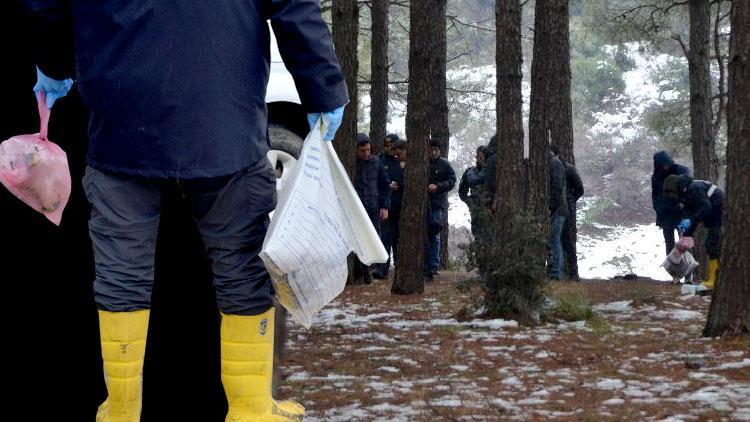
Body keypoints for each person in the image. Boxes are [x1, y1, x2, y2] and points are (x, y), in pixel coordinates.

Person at [26, 1, 348, 420]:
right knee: (240, 265)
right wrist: (322, 87)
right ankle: (250, 407)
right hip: (223, 121)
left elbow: (49, 8)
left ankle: (122, 409)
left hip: (121, 119)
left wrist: (53, 65)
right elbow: (291, 5)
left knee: (122, 271)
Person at [663, 174, 724, 291]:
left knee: (712, 244)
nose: (673, 197)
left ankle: (714, 281)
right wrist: (686, 236)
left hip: (719, 209)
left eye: (672, 193)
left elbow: (705, 208)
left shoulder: (694, 188)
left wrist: (691, 220)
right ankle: (713, 279)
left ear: (675, 188)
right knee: (711, 245)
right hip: (712, 214)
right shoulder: (684, 197)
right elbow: (692, 217)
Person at [354, 133, 391, 284]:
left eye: (368, 150)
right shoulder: (352, 163)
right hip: (356, 209)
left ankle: (369, 269)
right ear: (356, 150)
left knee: (372, 239)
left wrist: (385, 206)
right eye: (362, 151)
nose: (366, 153)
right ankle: (359, 271)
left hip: (373, 207)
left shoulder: (377, 163)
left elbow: (385, 185)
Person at [425, 139, 456, 282]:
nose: (433, 152)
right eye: (431, 149)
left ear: (439, 150)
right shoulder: (423, 161)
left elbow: (451, 180)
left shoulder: (444, 164)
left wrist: (438, 187)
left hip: (437, 203)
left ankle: (434, 265)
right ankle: (425, 264)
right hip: (423, 203)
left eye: (435, 150)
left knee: (435, 234)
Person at [374, 138, 406, 279]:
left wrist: (399, 184)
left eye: (391, 146)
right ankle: (382, 269)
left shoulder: (401, 161)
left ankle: (401, 269)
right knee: (385, 238)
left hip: (399, 205)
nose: (389, 149)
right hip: (385, 206)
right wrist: (387, 186)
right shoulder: (378, 160)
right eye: (386, 146)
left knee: (399, 240)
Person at [551, 146, 584, 281]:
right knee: (559, 240)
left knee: (566, 241)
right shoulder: (557, 167)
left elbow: (579, 189)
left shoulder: (568, 168)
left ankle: (573, 272)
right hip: (560, 207)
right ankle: (563, 271)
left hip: (565, 208)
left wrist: (570, 199)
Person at [651, 151, 691, 255]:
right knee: (669, 244)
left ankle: (688, 268)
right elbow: (655, 195)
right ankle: (672, 268)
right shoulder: (656, 176)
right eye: (662, 165)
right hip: (665, 214)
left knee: (685, 242)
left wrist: (683, 204)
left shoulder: (680, 170)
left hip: (680, 212)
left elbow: (689, 184)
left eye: (666, 164)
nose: (665, 167)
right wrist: (658, 208)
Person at [458, 146, 488, 238]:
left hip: (491, 210)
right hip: (476, 211)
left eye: (480, 156)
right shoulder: (471, 171)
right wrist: (470, 202)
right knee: (478, 236)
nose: (477, 158)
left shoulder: (493, 171)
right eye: (477, 156)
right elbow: (462, 192)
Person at [548, 149, 568, 280]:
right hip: (559, 207)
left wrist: (551, 207)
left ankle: (556, 272)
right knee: (554, 240)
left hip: (557, 209)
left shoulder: (554, 164)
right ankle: (556, 270)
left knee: (554, 240)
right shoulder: (555, 163)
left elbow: (556, 188)